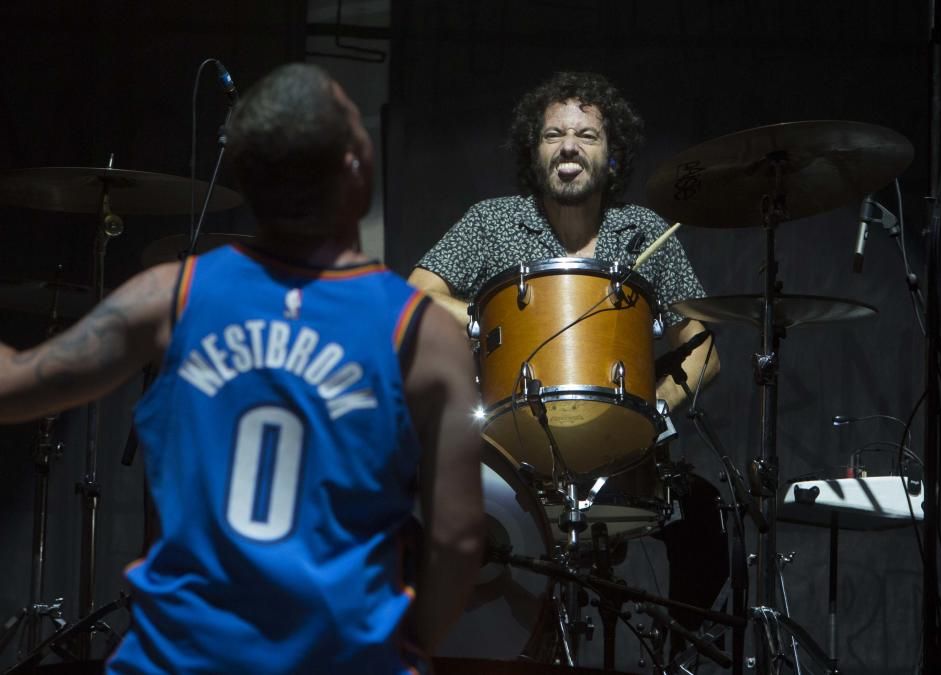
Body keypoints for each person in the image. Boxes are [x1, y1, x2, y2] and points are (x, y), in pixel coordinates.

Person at [0, 63, 483, 673]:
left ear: (246, 179)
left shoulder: (172, 297)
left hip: (182, 660)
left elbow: (13, 383)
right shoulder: (423, 332)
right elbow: (460, 539)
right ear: (357, 170)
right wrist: (403, 645)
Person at [407, 71, 719, 411]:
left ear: (612, 157)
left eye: (587, 135)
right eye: (553, 135)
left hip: (622, 444)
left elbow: (703, 352)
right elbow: (414, 295)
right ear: (534, 153)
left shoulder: (645, 231)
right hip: (511, 444)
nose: (568, 146)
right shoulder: (491, 221)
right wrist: (488, 322)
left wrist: (657, 406)